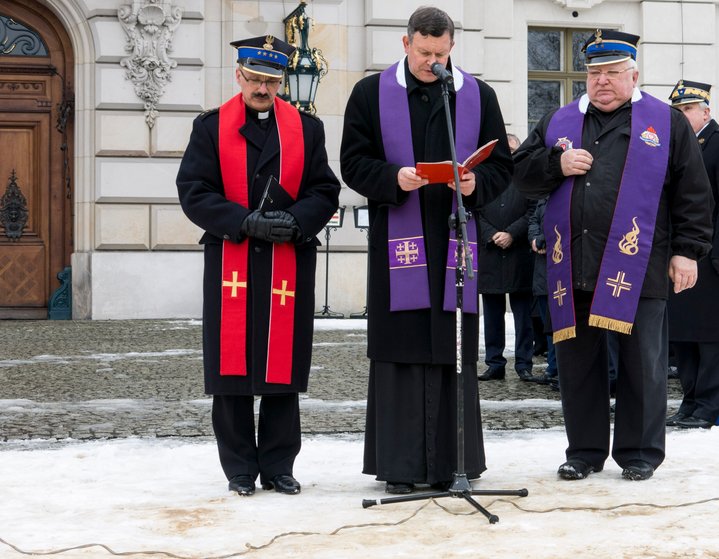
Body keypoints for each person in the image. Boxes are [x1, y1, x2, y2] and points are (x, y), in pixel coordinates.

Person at [514, 29, 712, 481]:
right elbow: (522, 175)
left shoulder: (666, 122)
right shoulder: (558, 121)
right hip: (573, 265)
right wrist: (555, 165)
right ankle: (583, 451)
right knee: (576, 364)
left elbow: (694, 194)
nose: (601, 81)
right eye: (594, 72)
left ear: (634, 74)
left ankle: (639, 452)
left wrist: (688, 251)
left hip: (640, 265)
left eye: (612, 73)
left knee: (642, 363)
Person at [339, 7, 511, 494]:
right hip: (400, 243)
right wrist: (393, 178)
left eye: (439, 53)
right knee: (403, 350)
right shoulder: (370, 94)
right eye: (422, 52)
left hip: (458, 240)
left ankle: (454, 464)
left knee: (452, 350)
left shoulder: (477, 95)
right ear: (405, 42)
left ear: (451, 48)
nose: (430, 61)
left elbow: (503, 167)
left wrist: (478, 183)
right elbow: (353, 161)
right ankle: (400, 466)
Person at [176, 35, 341, 496]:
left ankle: (279, 465)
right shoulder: (209, 128)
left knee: (281, 368)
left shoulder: (307, 130)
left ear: (282, 81)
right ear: (238, 76)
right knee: (232, 371)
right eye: (254, 79)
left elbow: (325, 190)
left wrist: (295, 221)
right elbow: (193, 190)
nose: (262, 89)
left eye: (271, 80)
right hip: (233, 258)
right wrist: (244, 221)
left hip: (287, 260)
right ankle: (239, 470)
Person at [665, 80, 719, 428]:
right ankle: (691, 402)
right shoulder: (674, 149)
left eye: (688, 109)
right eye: (677, 111)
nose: (682, 116)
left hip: (716, 262)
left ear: (706, 111)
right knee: (686, 338)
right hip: (683, 258)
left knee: (714, 340)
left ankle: (713, 409)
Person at [476, 133, 537, 383]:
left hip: (519, 254)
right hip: (490, 254)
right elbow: (472, 209)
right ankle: (494, 363)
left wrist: (512, 233)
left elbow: (533, 210)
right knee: (492, 315)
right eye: (505, 150)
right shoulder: (483, 178)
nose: (509, 154)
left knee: (523, 316)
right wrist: (492, 234)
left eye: (513, 149)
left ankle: (524, 364)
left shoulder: (527, 178)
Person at [527, 197, 560, 390]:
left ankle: (560, 367)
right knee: (548, 324)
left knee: (561, 325)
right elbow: (533, 220)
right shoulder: (543, 199)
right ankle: (552, 367)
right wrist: (534, 239)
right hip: (542, 273)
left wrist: (542, 239)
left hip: (560, 269)